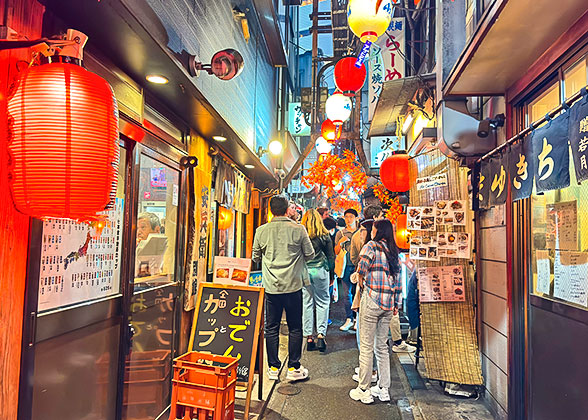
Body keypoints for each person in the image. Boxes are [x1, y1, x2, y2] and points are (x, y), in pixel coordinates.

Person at [252, 195, 314, 382]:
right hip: (293, 286)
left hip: (271, 287)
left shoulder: (261, 231)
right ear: (287, 209)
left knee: (271, 327)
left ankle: (272, 367)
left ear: (270, 210)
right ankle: (294, 367)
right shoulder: (298, 229)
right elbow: (310, 254)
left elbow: (255, 257)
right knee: (295, 327)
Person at [349, 219, 402, 405]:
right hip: (388, 304)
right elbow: (398, 282)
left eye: (373, 229)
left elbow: (361, 267)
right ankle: (383, 389)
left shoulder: (371, 246)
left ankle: (364, 389)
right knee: (382, 347)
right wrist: (396, 304)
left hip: (372, 300)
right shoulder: (394, 252)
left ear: (378, 231)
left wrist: (357, 277)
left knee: (366, 347)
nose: (371, 232)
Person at [301, 209, 335, 352]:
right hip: (321, 270)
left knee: (307, 302)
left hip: (305, 271)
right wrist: (332, 275)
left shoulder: (301, 235)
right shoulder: (325, 235)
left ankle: (308, 337)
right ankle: (321, 335)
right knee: (323, 302)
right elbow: (330, 256)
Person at [334, 208, 359, 331]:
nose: (348, 219)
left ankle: (357, 319)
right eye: (347, 217)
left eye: (351, 217)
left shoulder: (360, 232)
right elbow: (336, 251)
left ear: (356, 218)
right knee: (346, 294)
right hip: (345, 266)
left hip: (358, 266)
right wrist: (340, 243)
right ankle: (349, 318)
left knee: (357, 293)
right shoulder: (341, 233)